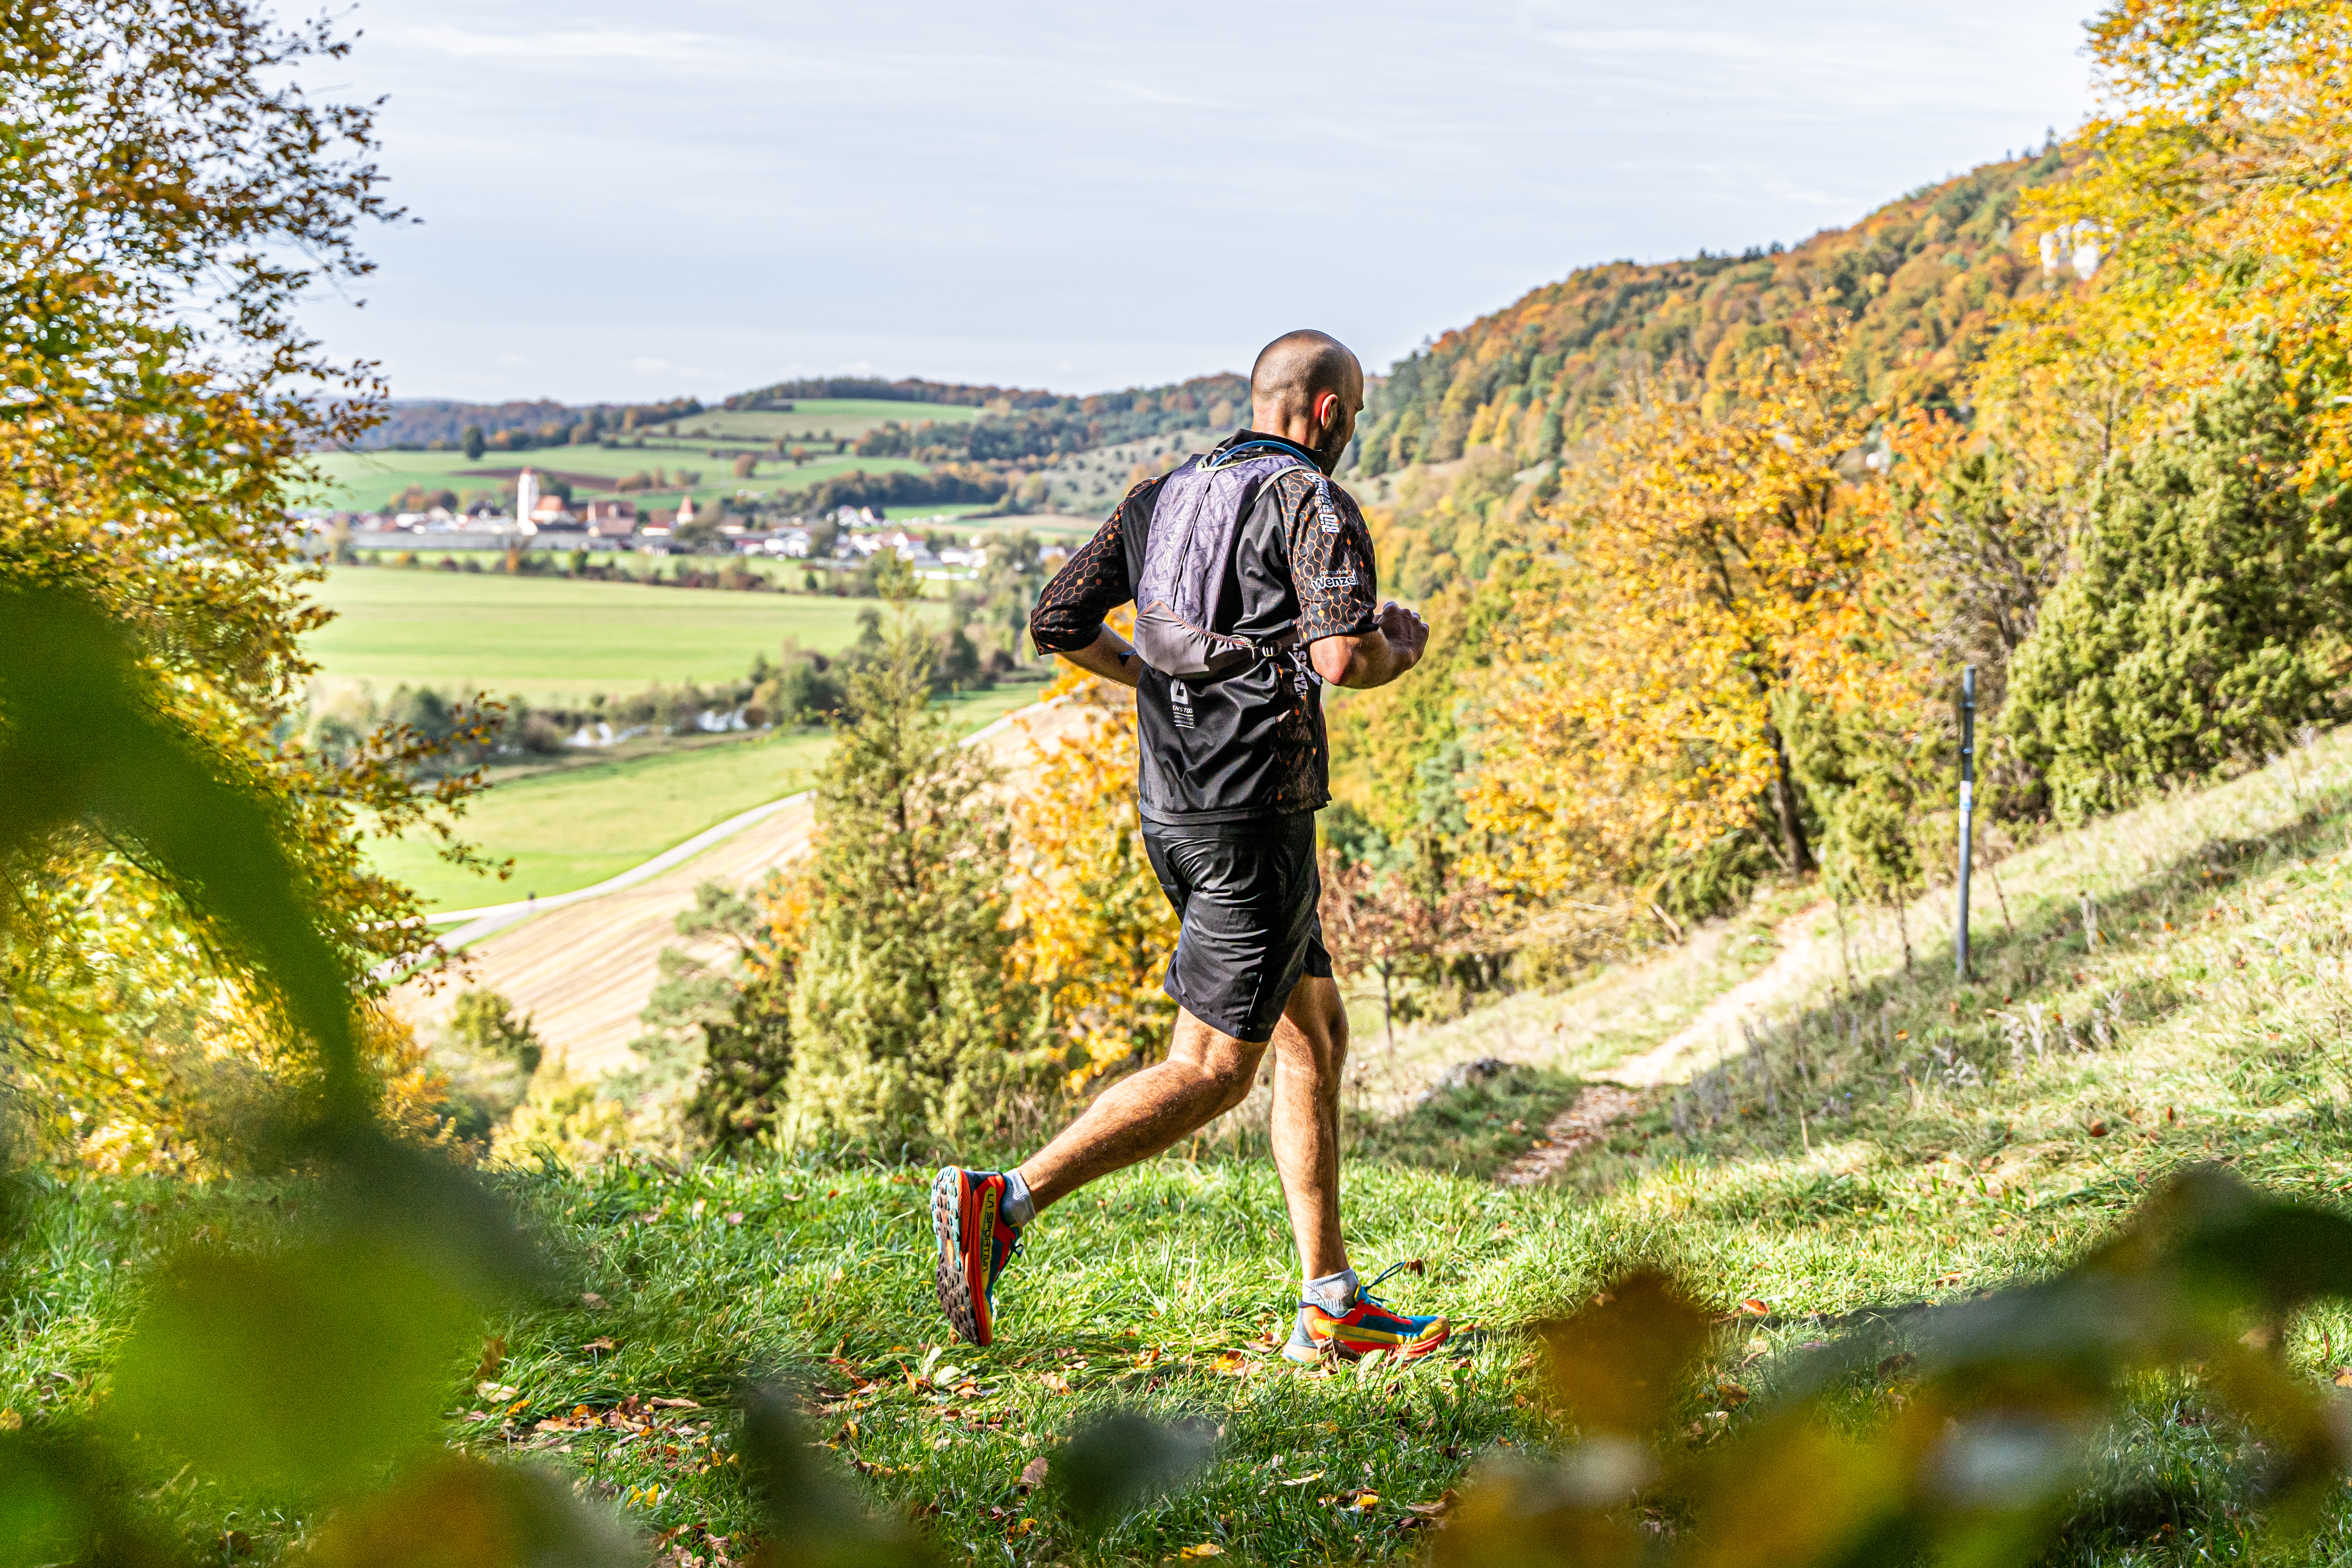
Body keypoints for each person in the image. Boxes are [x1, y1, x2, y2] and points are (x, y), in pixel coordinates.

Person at [931, 329, 1443, 1364]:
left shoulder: (1161, 495)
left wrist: (1159, 681)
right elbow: (1343, 659)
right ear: (1332, 412)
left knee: (1316, 1029)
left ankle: (1330, 1303)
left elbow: (1058, 618)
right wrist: (1403, 646)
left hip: (1176, 805)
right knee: (1213, 1067)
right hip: (1254, 812)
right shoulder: (1313, 503)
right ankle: (1005, 1204)